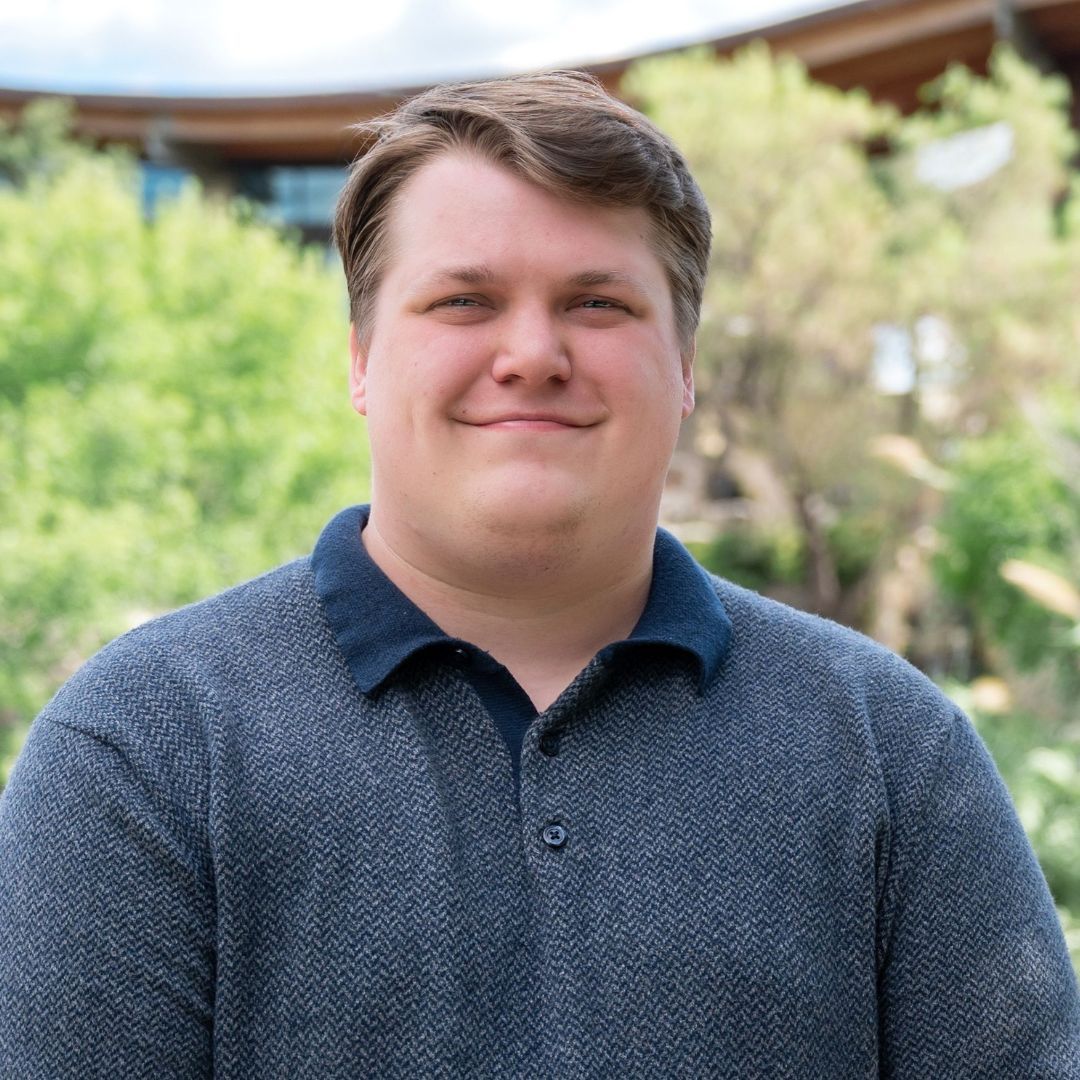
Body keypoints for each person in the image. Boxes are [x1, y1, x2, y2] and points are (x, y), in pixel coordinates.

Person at [1, 71, 1078, 1079]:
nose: (532, 353)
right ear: (362, 361)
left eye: (598, 303)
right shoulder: (142, 750)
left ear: (688, 367)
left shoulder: (893, 752)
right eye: (464, 301)